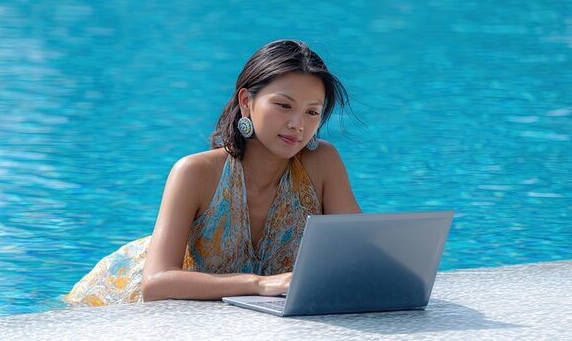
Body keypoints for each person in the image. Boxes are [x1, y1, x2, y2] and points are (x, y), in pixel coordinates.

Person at [64, 39, 361, 306]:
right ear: (246, 102)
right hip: (119, 303)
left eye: (312, 112)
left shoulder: (322, 162)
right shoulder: (194, 172)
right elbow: (155, 284)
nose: (298, 124)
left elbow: (362, 252)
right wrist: (259, 285)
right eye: (284, 105)